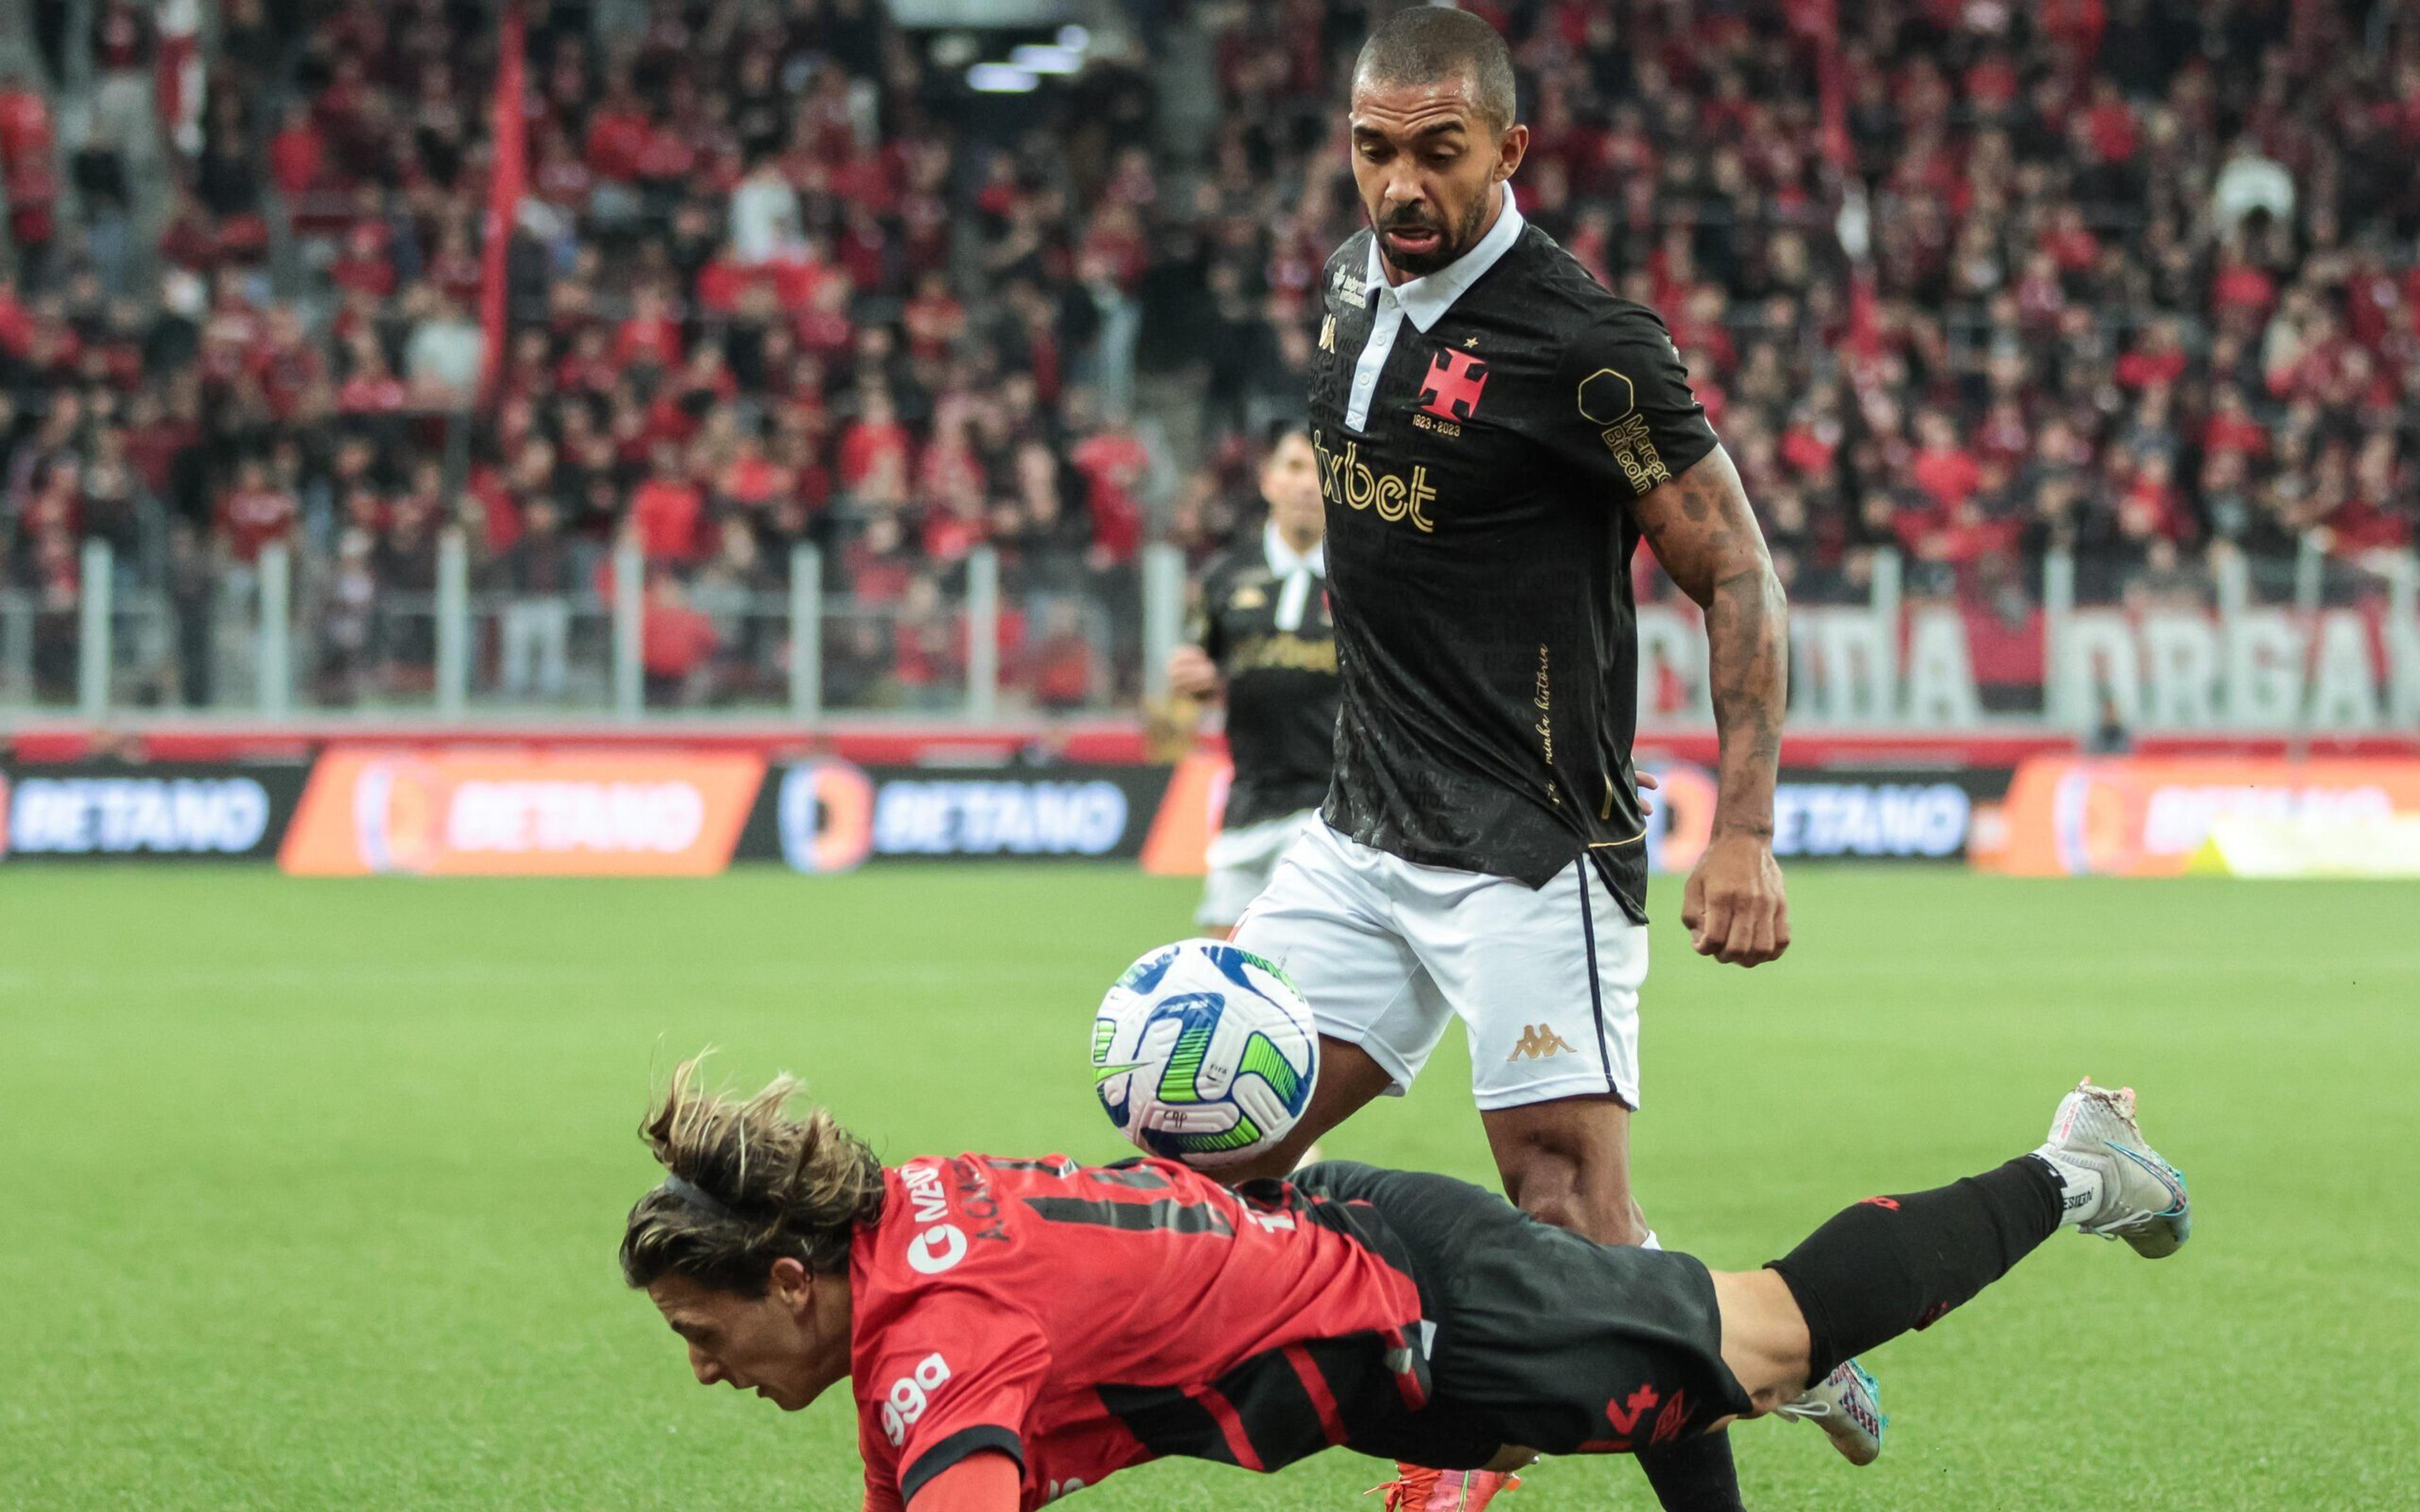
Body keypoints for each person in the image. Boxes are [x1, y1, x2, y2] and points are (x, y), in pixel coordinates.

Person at [1228, 13, 1807, 1503]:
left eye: (1437, 149)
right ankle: (1529, 1400)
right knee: (1209, 1158)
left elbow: (1734, 571)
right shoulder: (1354, 286)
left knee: (1565, 1211)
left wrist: (1740, 828)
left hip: (1530, 846)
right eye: (1373, 149)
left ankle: (1743, 1355)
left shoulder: (1584, 344)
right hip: (1358, 834)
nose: (1400, 184)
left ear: (1508, 148)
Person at [623, 1062, 2191, 1512]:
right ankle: (1694, 1329)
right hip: (1353, 1244)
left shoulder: (933, 1335)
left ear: (787, 1271)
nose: (704, 1366)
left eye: (706, 1332)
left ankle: (2077, 1164)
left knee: (1771, 1328)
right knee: (1709, 1347)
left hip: (1431, 1319)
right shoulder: (906, 1219)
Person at [1165, 425, 1339, 937]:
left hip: (1331, 807)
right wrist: (1191, 684)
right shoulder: (1227, 576)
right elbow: (1197, 671)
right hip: (1249, 798)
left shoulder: (1363, 580)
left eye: (1321, 470)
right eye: (1294, 467)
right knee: (1224, 961)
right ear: (1268, 481)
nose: (1308, 485)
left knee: (1298, 951)